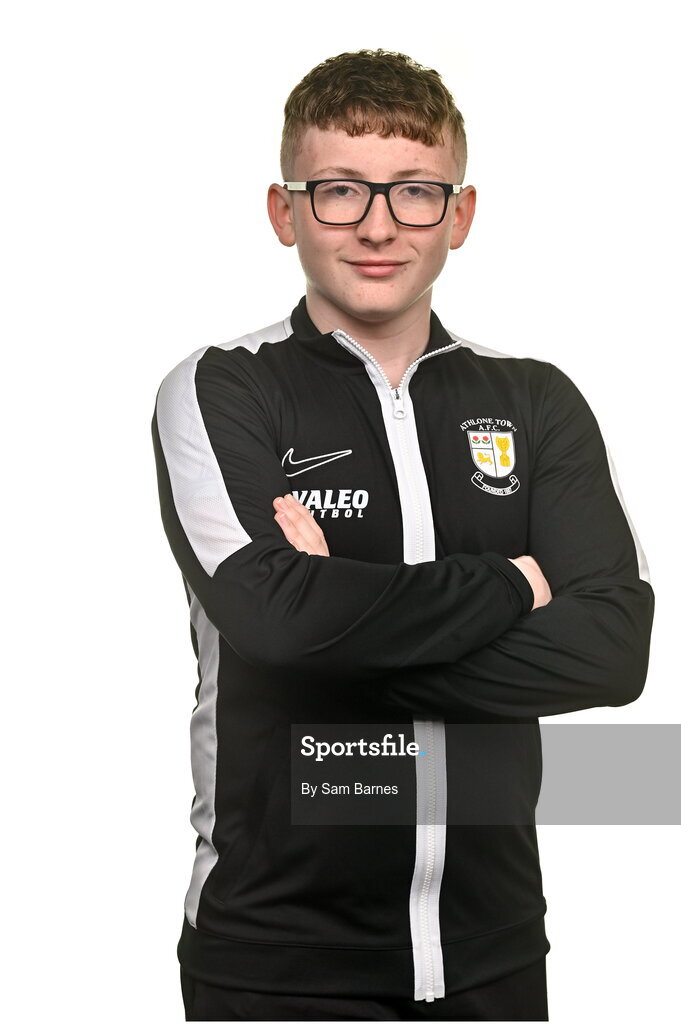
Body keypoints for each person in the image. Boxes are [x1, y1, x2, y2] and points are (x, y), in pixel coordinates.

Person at [151, 49, 654, 1022]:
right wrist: (511, 584)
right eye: (339, 190)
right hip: (276, 962)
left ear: (459, 214)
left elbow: (613, 649)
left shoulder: (536, 401)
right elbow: (275, 626)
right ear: (284, 209)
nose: (379, 225)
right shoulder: (223, 390)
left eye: (416, 191)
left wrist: (333, 635)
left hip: (493, 954)